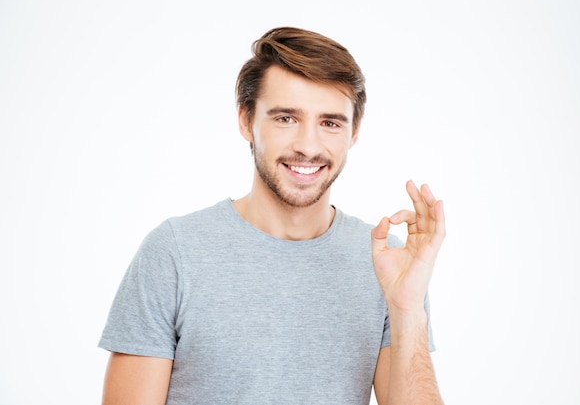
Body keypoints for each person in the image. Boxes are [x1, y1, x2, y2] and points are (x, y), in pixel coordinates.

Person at [99, 26, 446, 405]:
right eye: (286, 118)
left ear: (354, 133)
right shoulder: (174, 252)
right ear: (246, 121)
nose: (308, 146)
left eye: (330, 123)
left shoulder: (386, 265)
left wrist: (407, 310)